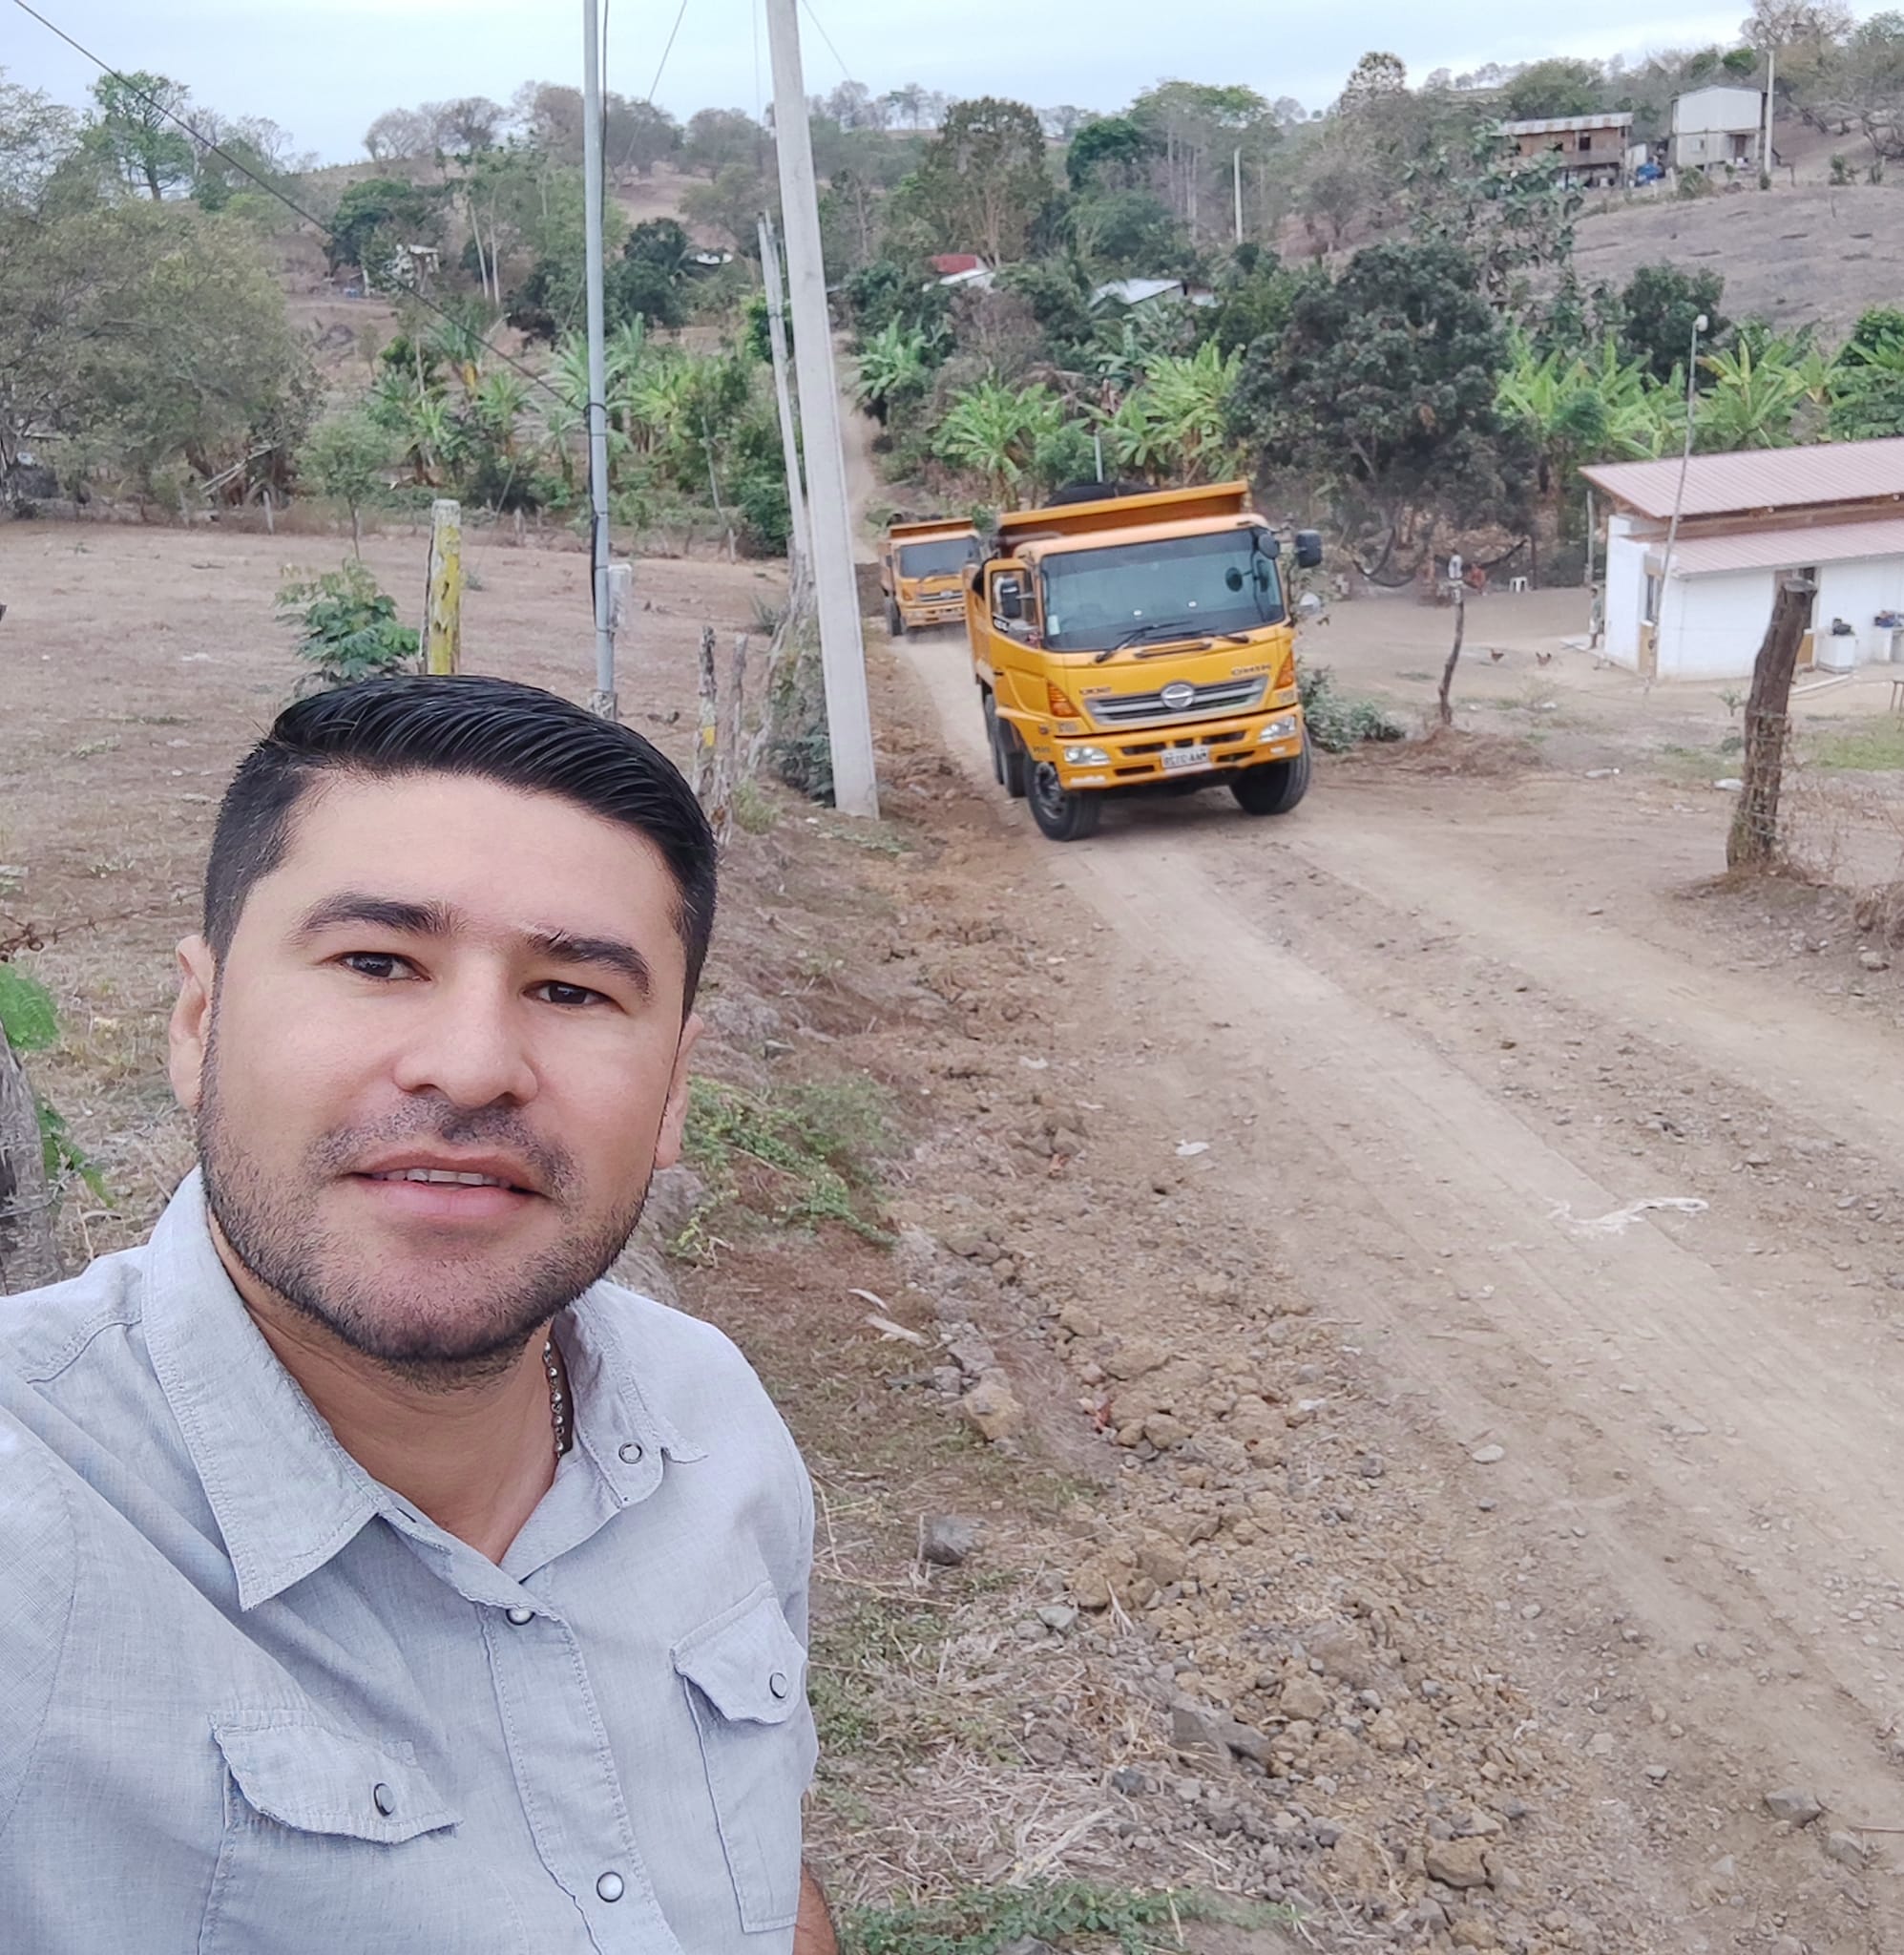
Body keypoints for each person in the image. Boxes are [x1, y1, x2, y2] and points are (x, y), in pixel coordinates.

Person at [0, 675, 832, 1955]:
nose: (473, 1066)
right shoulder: (34, 1530)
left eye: (572, 990)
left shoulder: (709, 1417)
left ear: (673, 1091)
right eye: (378, 963)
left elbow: (759, 1856)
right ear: (200, 1023)